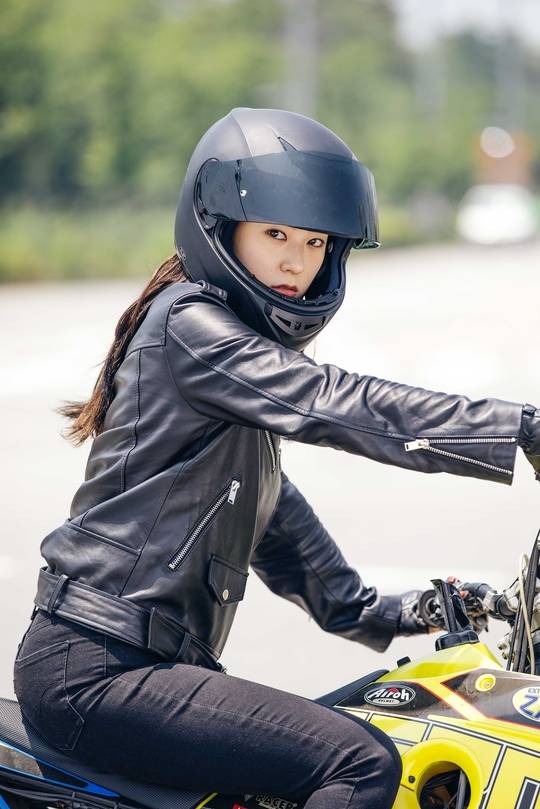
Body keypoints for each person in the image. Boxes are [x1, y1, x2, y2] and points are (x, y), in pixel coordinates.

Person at [12, 107, 540, 809]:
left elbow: (303, 560)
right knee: (360, 762)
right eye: (276, 234)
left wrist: (416, 610)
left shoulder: (233, 407)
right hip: (98, 668)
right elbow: (333, 402)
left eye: (316, 241)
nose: (297, 261)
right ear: (219, 227)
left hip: (138, 665)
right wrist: (519, 428)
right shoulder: (190, 323)